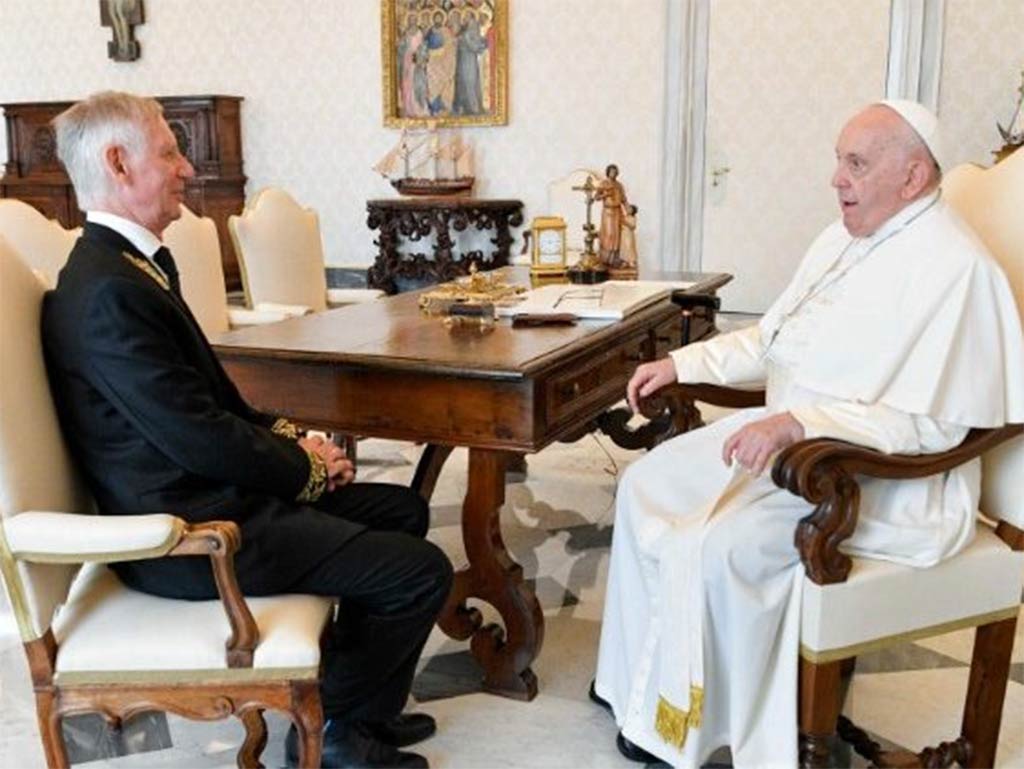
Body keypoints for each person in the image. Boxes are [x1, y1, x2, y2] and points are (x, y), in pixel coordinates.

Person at [591, 100, 1024, 767]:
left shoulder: (958, 270)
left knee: (721, 544)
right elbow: (772, 340)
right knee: (647, 483)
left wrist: (802, 423)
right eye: (839, 160)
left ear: (912, 177)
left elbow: (936, 423)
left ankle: (702, 727)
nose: (836, 178)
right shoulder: (841, 239)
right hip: (796, 445)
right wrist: (682, 364)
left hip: (886, 482)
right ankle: (635, 687)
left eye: (856, 163)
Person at [42, 91, 452, 769]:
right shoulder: (107, 290)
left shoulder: (123, 268)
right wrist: (307, 470)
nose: (187, 168)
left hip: (211, 496)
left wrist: (301, 445)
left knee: (402, 510)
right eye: (170, 152)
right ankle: (334, 729)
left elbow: (213, 406)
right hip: (189, 533)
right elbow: (199, 437)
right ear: (118, 163)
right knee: (418, 573)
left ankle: (360, 712)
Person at [594, 164, 628, 265]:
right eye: (611, 171)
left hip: (617, 211)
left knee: (617, 234)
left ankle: (614, 258)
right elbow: (596, 197)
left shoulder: (619, 185)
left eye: (615, 171)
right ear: (608, 172)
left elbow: (624, 199)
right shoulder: (604, 183)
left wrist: (628, 210)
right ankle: (605, 258)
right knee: (609, 234)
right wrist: (605, 194)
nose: (613, 173)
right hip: (608, 212)